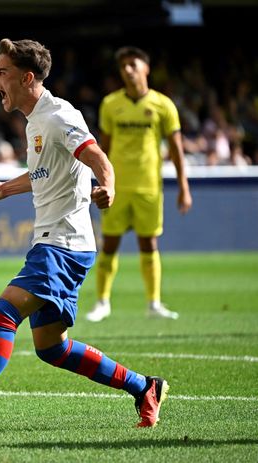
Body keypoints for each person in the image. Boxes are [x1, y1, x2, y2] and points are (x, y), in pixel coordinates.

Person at [0, 38, 170, 435]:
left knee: (5, 312)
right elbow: (44, 173)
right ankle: (144, 386)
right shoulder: (36, 121)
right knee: (52, 348)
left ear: (27, 78)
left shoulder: (60, 115)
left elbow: (97, 155)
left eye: (2, 73)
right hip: (59, 243)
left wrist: (109, 185)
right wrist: (3, 189)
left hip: (62, 243)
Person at [85, 46, 192, 323]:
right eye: (123, 67)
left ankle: (154, 303)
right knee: (109, 243)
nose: (128, 70)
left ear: (146, 68)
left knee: (149, 242)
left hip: (149, 187)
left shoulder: (163, 105)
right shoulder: (110, 104)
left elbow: (177, 148)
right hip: (117, 187)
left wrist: (184, 187)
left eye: (133, 64)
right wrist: (100, 181)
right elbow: (102, 148)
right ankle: (102, 302)